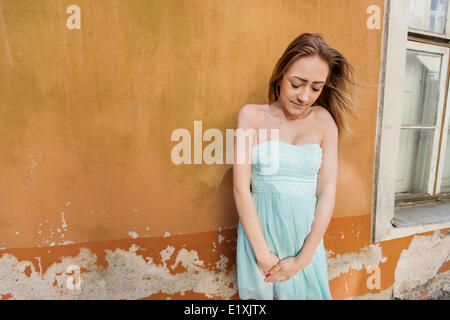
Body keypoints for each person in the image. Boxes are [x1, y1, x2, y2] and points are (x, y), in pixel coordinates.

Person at [233, 33, 358, 300]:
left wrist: (303, 259)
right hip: (259, 237)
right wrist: (263, 255)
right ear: (280, 76)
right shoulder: (251, 116)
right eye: (297, 84)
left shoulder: (324, 121)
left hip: (305, 240)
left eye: (316, 88)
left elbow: (327, 192)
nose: (304, 96)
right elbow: (240, 189)